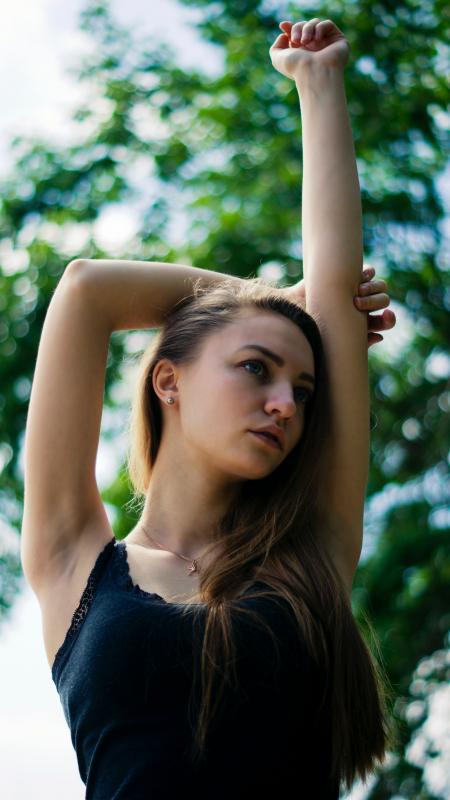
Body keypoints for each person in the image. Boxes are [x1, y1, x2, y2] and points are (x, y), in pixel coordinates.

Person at [21, 16, 397, 800]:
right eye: (256, 368)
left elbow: (335, 294)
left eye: (302, 386)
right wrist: (268, 300)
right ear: (169, 380)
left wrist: (319, 81)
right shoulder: (74, 561)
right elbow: (87, 290)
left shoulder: (310, 555)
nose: (285, 402)